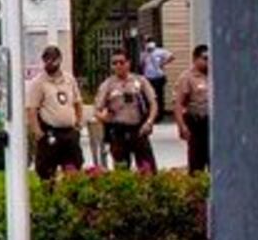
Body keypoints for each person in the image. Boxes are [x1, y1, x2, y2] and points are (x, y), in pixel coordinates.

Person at [24, 45, 85, 182]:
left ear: (60, 60)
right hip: (50, 132)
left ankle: (71, 194)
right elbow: (32, 109)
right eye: (46, 60)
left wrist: (79, 123)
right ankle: (49, 197)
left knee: (73, 168)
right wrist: (37, 132)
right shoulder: (39, 83)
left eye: (53, 59)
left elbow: (77, 102)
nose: (49, 63)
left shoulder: (69, 80)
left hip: (69, 132)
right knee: (47, 170)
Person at [95, 48, 158, 174]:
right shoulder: (107, 84)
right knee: (122, 171)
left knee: (148, 169)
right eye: (114, 63)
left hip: (139, 129)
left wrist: (149, 122)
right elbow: (97, 109)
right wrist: (103, 117)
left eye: (121, 62)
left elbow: (153, 103)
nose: (118, 66)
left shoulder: (140, 81)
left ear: (128, 63)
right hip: (118, 132)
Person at [171, 44, 212, 174]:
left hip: (213, 123)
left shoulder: (215, 75)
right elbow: (178, 104)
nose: (208, 61)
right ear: (195, 59)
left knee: (215, 161)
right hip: (196, 123)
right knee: (196, 162)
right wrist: (182, 126)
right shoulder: (187, 77)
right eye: (205, 58)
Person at [141, 40, 171, 120]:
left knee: (158, 96)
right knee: (149, 96)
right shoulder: (144, 53)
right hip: (148, 77)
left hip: (158, 77)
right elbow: (142, 63)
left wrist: (162, 63)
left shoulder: (159, 51)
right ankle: (150, 114)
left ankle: (159, 114)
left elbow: (171, 56)